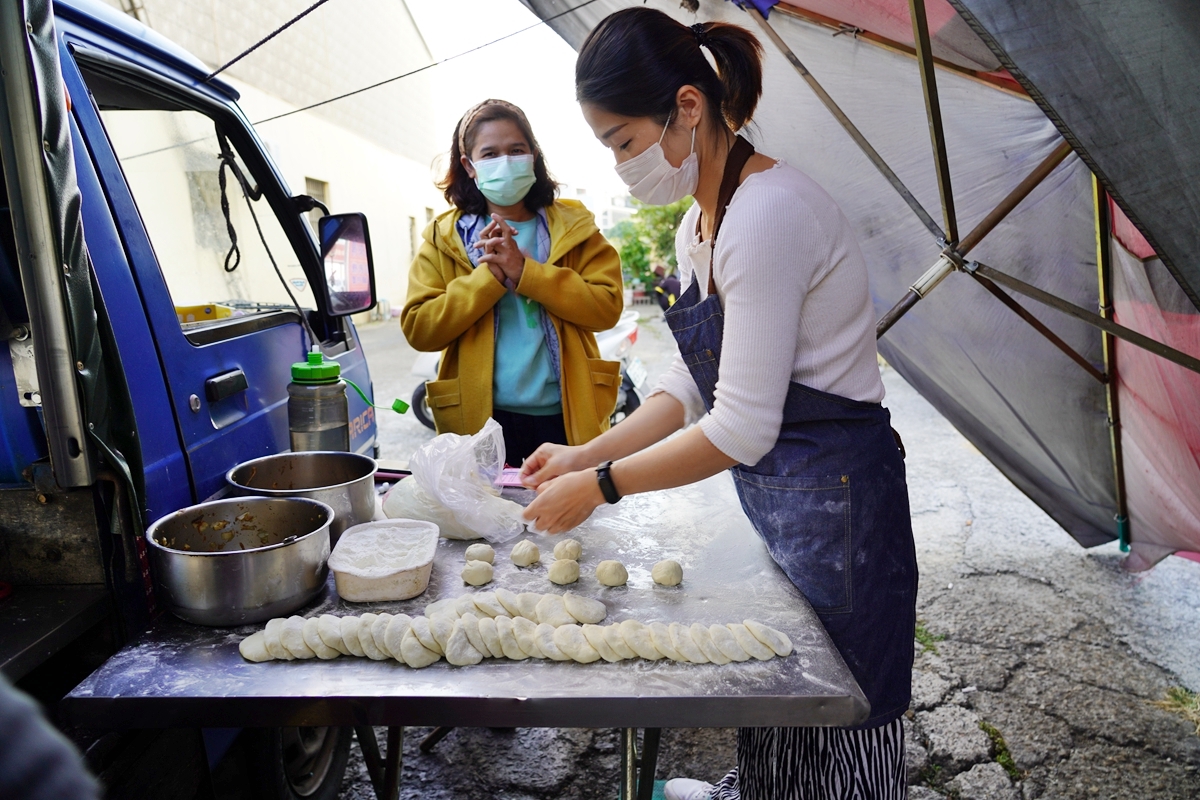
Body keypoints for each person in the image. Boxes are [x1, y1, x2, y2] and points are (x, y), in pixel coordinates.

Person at [519, 9, 917, 800]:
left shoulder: (766, 214)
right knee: (778, 702)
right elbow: (690, 384)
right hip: (788, 501)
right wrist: (584, 452)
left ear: (688, 108)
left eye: (625, 142)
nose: (624, 164)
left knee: (843, 723)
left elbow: (737, 426)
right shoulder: (700, 227)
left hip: (840, 506)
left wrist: (599, 490)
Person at [402, 99, 624, 464]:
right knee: (489, 519)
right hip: (481, 419)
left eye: (516, 150)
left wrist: (526, 273)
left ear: (533, 157)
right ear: (469, 167)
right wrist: (487, 279)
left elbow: (606, 308)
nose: (505, 161)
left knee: (562, 517)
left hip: (565, 415)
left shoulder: (574, 226)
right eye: (490, 153)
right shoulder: (444, 237)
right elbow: (419, 329)